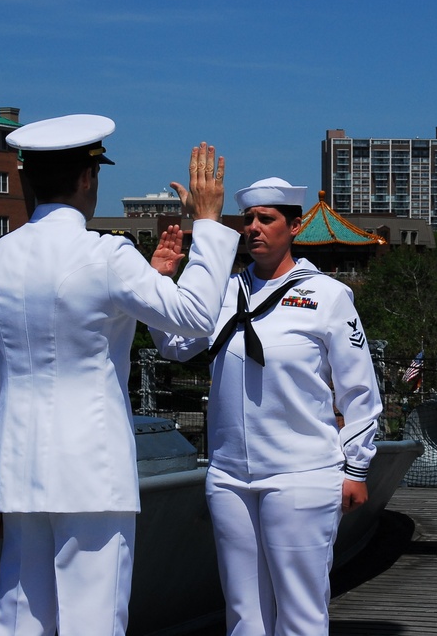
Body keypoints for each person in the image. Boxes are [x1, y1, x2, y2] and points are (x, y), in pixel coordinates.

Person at [0, 113, 239, 636]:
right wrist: (210, 225)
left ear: (28, 180)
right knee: (92, 621)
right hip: (93, 474)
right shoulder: (106, 254)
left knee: (18, 620)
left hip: (15, 473)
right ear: (87, 178)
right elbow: (195, 317)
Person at [150, 177, 383, 635]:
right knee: (243, 613)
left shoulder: (327, 296)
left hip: (302, 474)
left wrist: (357, 467)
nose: (254, 228)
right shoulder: (220, 292)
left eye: (267, 219)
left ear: (294, 226)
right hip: (230, 475)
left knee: (300, 612)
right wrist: (160, 283)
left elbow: (359, 391)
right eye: (248, 220)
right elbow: (175, 346)